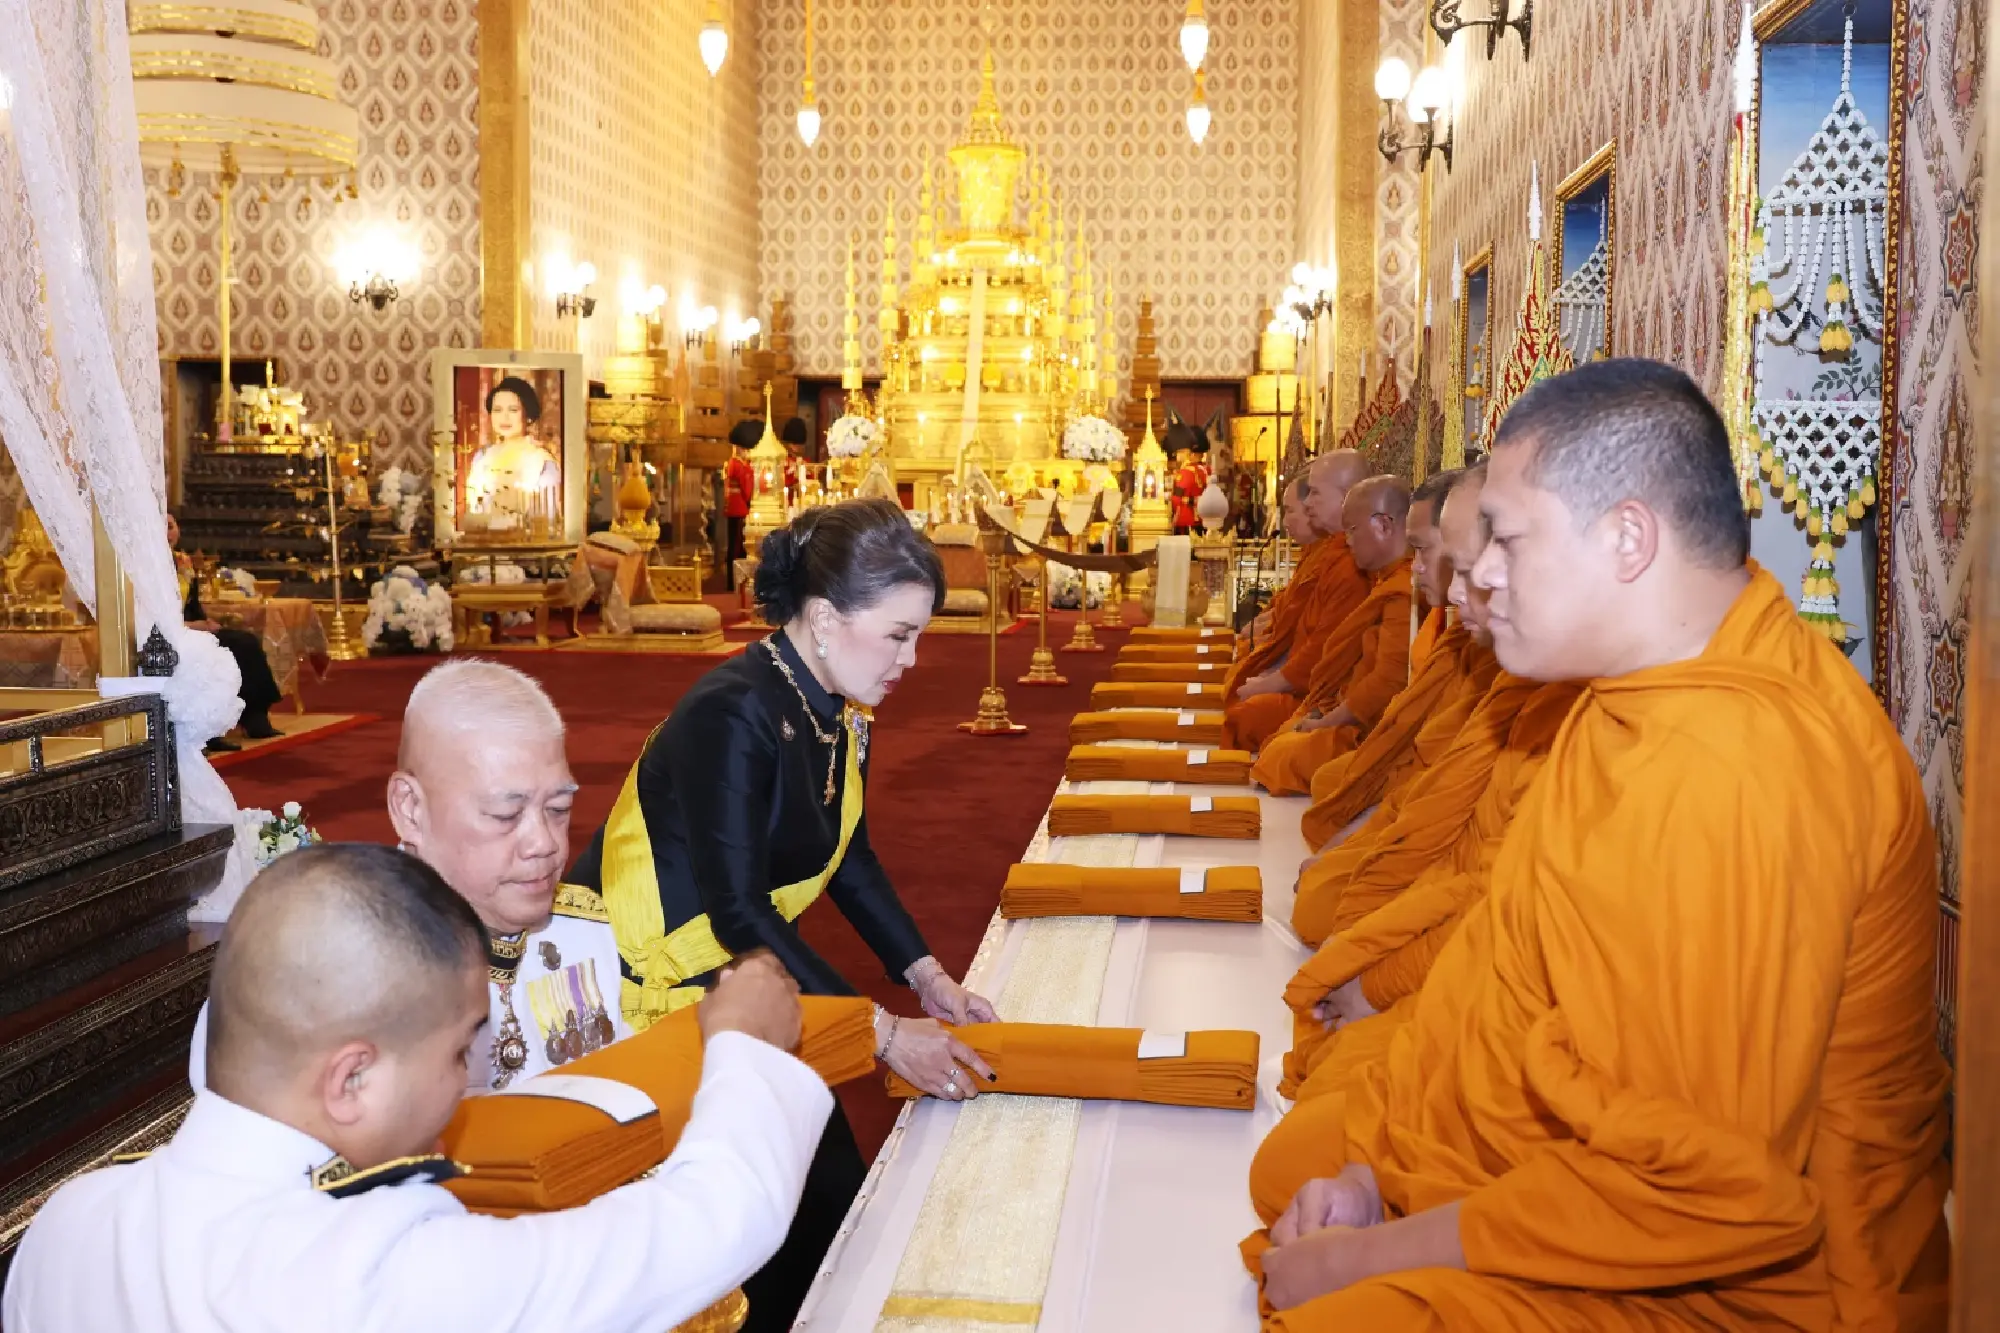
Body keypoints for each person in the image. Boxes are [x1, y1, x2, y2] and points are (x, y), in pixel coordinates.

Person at [1246, 359, 1949, 1331]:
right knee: (1300, 1177)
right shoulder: (1622, 691)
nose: (1476, 576)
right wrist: (1376, 1175)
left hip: (1747, 1277)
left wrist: (1375, 1250)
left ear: (1626, 538)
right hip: (1571, 1154)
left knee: (1332, 1309)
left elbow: (1701, 1193)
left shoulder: (1744, 765)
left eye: (1508, 539)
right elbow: (1497, 974)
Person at [3, 844, 830, 1332]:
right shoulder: (382, 1273)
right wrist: (745, 1046)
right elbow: (702, 1225)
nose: (469, 1076)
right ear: (351, 1074)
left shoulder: (69, 1222)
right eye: (461, 1045)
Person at [567, 497, 999, 1332]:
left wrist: (928, 975)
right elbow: (735, 906)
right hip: (650, 980)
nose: (913, 657)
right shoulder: (734, 708)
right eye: (901, 633)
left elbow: (851, 857)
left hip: (742, 971)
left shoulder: (836, 705)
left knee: (817, 1192)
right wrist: (877, 1029)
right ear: (827, 617)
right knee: (763, 1208)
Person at [186, 659, 631, 1095]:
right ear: (410, 809)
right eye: (505, 814)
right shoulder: (316, 977)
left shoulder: (590, 935)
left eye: (558, 810)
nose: (544, 842)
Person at [1296, 468, 1499, 850]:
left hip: (1431, 785)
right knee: (1325, 779)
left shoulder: (1479, 631)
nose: (1419, 565)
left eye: (1424, 549)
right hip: (1404, 758)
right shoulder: (1454, 626)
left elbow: (1395, 693)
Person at [1246, 476, 1414, 793]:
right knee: (1280, 743)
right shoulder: (1382, 581)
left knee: (1283, 754)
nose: (1348, 541)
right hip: (1341, 706)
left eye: (1352, 530)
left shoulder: (1402, 592)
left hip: (1373, 727)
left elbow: (1389, 681)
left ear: (1383, 525)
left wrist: (1330, 720)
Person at [1224, 451, 1371, 748]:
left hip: (1324, 695)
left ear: (1346, 497)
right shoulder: (1332, 554)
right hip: (1307, 682)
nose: (1307, 503)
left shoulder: (1351, 566)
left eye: (1315, 493)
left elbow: (1322, 650)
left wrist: (1271, 681)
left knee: (1247, 716)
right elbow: (1295, 618)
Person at [168, 512, 281, 751]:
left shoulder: (183, 562)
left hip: (191, 628)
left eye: (171, 526)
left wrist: (206, 621)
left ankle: (255, 715)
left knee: (245, 642)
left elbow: (192, 607)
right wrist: (191, 626)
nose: (168, 533)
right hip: (165, 633)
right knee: (211, 650)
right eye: (162, 527)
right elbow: (149, 615)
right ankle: (209, 730)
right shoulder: (146, 566)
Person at [465, 375, 561, 520]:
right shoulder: (482, 457)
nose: (504, 417)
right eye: (497, 410)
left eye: (513, 410)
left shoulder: (542, 462)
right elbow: (473, 509)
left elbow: (547, 519)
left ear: (527, 414)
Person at [725, 419, 761, 588]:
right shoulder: (740, 466)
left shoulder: (734, 464)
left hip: (734, 509)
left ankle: (732, 581)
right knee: (737, 547)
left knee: (734, 545)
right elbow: (748, 490)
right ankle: (733, 582)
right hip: (739, 509)